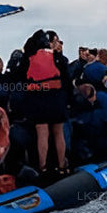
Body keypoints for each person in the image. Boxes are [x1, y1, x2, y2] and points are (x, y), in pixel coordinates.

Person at [19, 30, 71, 179]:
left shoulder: (28, 58)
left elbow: (21, 79)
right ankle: (61, 165)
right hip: (56, 98)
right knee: (58, 133)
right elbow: (66, 79)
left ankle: (42, 167)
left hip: (37, 100)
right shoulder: (56, 57)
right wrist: (67, 100)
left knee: (42, 134)